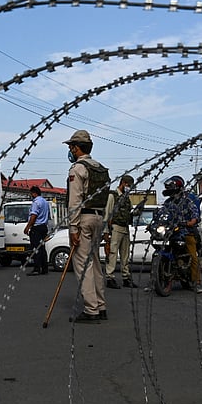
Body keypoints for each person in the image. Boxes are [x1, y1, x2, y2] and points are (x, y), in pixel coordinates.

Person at [63, 130, 110, 324]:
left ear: (76, 148)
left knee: (83, 264)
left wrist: (73, 229)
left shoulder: (77, 169)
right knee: (96, 263)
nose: (70, 150)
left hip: (84, 218)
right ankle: (101, 305)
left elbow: (74, 201)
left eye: (71, 147)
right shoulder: (100, 168)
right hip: (99, 218)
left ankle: (91, 310)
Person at [160, 175, 202, 294]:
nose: (168, 189)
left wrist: (191, 222)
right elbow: (160, 214)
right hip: (171, 232)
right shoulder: (168, 203)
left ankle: (196, 282)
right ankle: (155, 281)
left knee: (193, 257)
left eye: (171, 187)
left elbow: (195, 214)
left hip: (186, 232)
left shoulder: (188, 201)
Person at [103, 174, 138, 289]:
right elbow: (107, 214)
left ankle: (126, 277)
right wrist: (106, 232)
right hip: (115, 227)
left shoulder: (126, 198)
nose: (129, 187)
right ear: (122, 183)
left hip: (125, 228)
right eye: (128, 185)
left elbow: (129, 213)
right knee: (112, 253)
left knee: (125, 254)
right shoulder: (112, 196)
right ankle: (110, 277)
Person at [23, 185, 50, 276]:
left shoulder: (36, 202)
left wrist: (27, 227)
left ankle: (37, 268)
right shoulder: (45, 202)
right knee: (42, 248)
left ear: (34, 193)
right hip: (43, 227)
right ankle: (44, 268)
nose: (31, 195)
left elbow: (34, 216)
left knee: (36, 248)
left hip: (37, 228)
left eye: (31, 194)